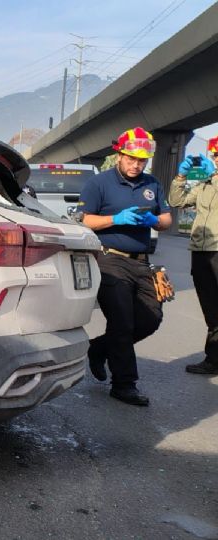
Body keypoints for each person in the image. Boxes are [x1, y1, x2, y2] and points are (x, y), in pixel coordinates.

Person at [81, 127, 173, 406]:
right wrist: (116, 219)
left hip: (142, 263)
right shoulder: (100, 183)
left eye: (142, 160)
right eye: (131, 158)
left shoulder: (152, 184)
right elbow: (85, 221)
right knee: (122, 322)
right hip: (110, 260)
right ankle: (124, 384)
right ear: (119, 155)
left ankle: (98, 348)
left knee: (150, 319)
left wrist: (153, 222)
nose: (136, 164)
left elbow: (167, 219)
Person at [168, 138, 218, 375]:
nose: (217, 160)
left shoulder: (213, 182)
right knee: (211, 308)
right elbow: (176, 201)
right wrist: (181, 177)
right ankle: (214, 359)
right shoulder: (204, 185)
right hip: (200, 251)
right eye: (216, 156)